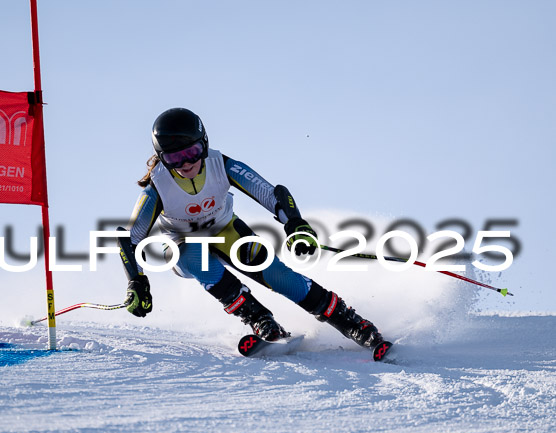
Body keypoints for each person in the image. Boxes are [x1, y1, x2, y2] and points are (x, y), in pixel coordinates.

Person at [123, 107, 385, 350]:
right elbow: (129, 238)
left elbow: (271, 193)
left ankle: (352, 323)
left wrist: (295, 224)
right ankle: (259, 319)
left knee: (279, 276)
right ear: (162, 159)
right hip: (183, 246)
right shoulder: (158, 187)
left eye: (190, 153)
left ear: (204, 144)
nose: (185, 164)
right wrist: (136, 281)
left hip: (226, 232)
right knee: (197, 259)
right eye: (174, 158)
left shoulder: (221, 165)